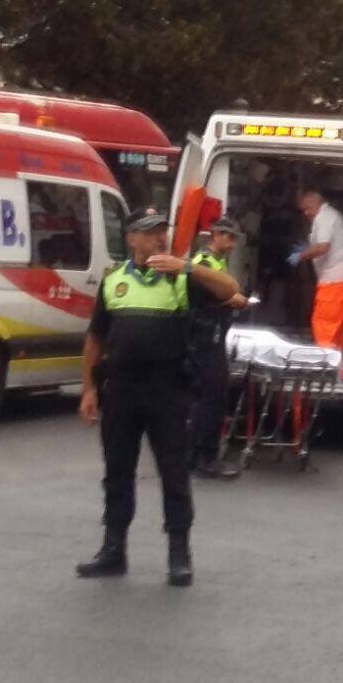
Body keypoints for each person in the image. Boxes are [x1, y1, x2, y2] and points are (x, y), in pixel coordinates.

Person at [75, 207, 240, 587]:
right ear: (131, 238)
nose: (159, 238)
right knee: (117, 471)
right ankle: (113, 549)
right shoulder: (114, 280)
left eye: (162, 231)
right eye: (149, 232)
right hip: (120, 389)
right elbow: (96, 336)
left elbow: (230, 290)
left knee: (174, 471)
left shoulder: (181, 278)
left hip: (168, 390)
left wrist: (188, 268)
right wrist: (88, 389)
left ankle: (179, 554)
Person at [188, 216, 251, 480]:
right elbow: (210, 295)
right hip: (205, 334)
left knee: (204, 397)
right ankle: (207, 458)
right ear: (217, 235)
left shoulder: (216, 262)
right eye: (231, 237)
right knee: (213, 396)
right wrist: (233, 300)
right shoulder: (203, 263)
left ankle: (194, 455)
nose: (234, 244)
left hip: (210, 333)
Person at [291, 189, 343, 355]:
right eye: (303, 210)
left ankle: (325, 364)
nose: (306, 213)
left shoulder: (324, 217)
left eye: (308, 209)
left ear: (317, 203)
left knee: (324, 324)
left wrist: (301, 255)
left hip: (335, 280)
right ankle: (339, 365)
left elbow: (323, 247)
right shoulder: (331, 215)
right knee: (340, 329)